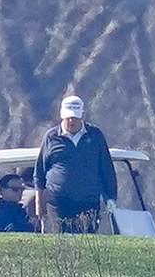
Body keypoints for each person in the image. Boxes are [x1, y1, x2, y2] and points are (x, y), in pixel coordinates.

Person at [34, 95, 117, 233]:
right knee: (61, 241)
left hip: (88, 201)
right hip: (58, 202)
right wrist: (39, 203)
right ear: (62, 116)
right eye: (68, 118)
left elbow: (106, 169)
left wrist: (111, 197)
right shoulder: (51, 137)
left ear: (82, 116)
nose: (71, 121)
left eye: (75, 117)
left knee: (87, 241)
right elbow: (40, 173)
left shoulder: (95, 136)